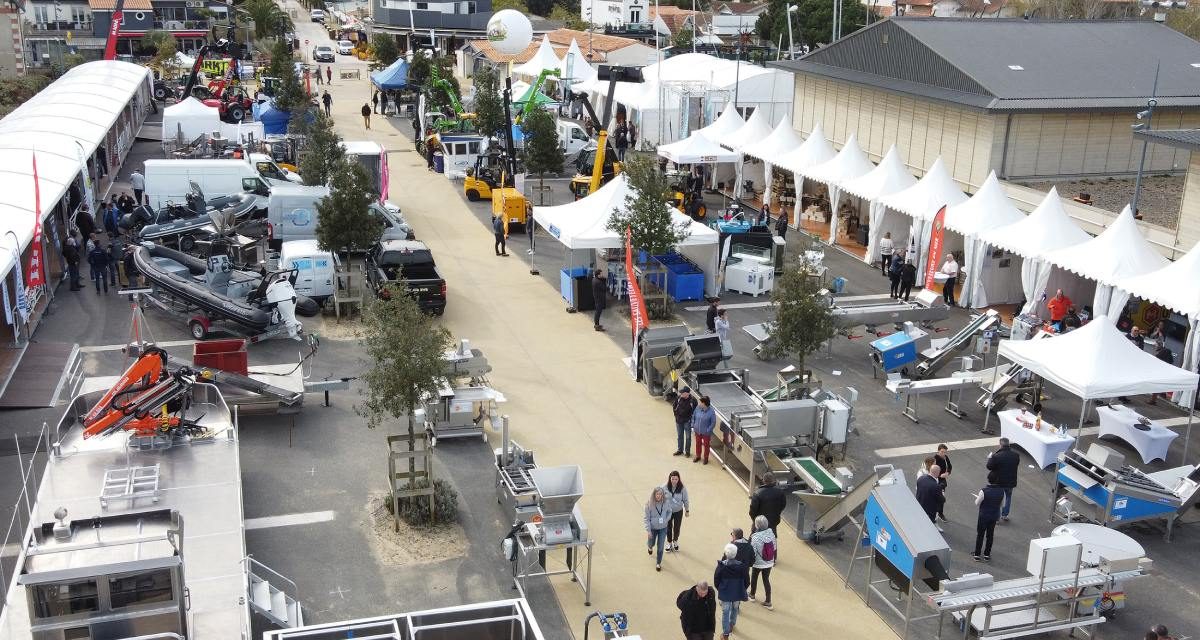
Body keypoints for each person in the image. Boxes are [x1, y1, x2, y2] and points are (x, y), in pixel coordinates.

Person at [714, 543, 749, 640]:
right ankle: (732, 624)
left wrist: (721, 589)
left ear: (725, 553)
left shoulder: (721, 567)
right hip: (737, 593)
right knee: (735, 608)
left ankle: (725, 634)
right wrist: (741, 588)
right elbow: (747, 581)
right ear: (736, 553)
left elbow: (716, 581)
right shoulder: (742, 567)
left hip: (725, 593)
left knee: (725, 612)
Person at [972, 471, 1005, 561]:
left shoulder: (984, 491)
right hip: (994, 516)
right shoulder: (1002, 491)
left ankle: (977, 554)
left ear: (989, 479)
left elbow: (977, 503)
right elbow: (1002, 504)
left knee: (980, 535)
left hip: (983, 516)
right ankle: (987, 554)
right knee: (990, 535)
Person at [986, 437, 1020, 520]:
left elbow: (989, 467)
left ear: (1000, 445)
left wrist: (990, 458)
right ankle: (1005, 515)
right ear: (1008, 444)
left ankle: (996, 517)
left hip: (999, 482)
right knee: (1008, 498)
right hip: (1011, 481)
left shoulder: (996, 456)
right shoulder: (1016, 455)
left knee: (998, 499)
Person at [748, 515, 776, 609]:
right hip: (769, 562)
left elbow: (753, 552)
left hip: (758, 563)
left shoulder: (755, 537)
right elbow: (774, 548)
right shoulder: (771, 533)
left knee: (754, 577)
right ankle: (768, 601)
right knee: (766, 580)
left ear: (757, 525)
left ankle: (752, 595)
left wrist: (751, 562)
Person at [749, 472, 787, 537]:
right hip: (773, 521)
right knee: (772, 541)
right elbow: (783, 505)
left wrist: (755, 520)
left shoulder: (757, 493)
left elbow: (752, 511)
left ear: (763, 480)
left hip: (759, 522)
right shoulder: (780, 492)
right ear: (773, 480)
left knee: (754, 540)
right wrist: (776, 513)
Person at [644, 487, 671, 571]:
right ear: (654, 495)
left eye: (660, 494)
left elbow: (669, 511)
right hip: (653, 528)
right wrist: (648, 530)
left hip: (663, 528)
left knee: (660, 546)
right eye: (657, 494)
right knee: (651, 543)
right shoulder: (649, 505)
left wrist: (666, 520)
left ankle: (658, 563)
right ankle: (650, 547)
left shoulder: (666, 503)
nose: (659, 496)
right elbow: (646, 519)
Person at [663, 471, 689, 552]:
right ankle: (669, 542)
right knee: (668, 528)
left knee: (677, 528)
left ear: (678, 479)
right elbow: (660, 498)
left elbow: (685, 499)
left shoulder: (682, 488)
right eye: (672, 479)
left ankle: (675, 541)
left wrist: (687, 510)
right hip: (668, 511)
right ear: (670, 479)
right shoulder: (665, 487)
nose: (674, 480)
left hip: (678, 511)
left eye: (676, 479)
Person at [915, 464, 944, 531]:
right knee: (930, 522)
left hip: (919, 504)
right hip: (931, 509)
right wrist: (941, 493)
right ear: (937, 473)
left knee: (921, 521)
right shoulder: (935, 486)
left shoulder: (921, 478)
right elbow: (941, 500)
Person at [673, 387, 698, 457]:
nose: (681, 394)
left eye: (682, 393)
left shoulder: (693, 401)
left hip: (687, 421)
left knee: (688, 437)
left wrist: (691, 420)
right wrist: (676, 416)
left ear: (687, 393)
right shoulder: (678, 398)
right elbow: (674, 406)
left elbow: (695, 412)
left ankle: (687, 452)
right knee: (679, 436)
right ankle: (680, 450)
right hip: (679, 421)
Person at [692, 395, 716, 464]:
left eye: (700, 402)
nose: (699, 404)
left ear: (704, 403)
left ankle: (706, 458)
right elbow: (694, 416)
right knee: (698, 444)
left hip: (706, 433)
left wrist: (708, 430)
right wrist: (693, 425)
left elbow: (713, 422)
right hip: (697, 431)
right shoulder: (698, 408)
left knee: (706, 445)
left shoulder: (711, 412)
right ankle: (698, 456)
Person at [933, 443, 952, 522]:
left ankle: (940, 513)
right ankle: (933, 513)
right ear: (938, 451)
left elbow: (950, 466)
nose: (943, 454)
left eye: (945, 452)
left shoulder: (945, 457)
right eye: (942, 452)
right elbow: (931, 471)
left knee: (941, 498)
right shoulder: (934, 459)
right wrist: (940, 475)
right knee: (933, 498)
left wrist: (948, 473)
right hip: (935, 480)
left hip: (942, 482)